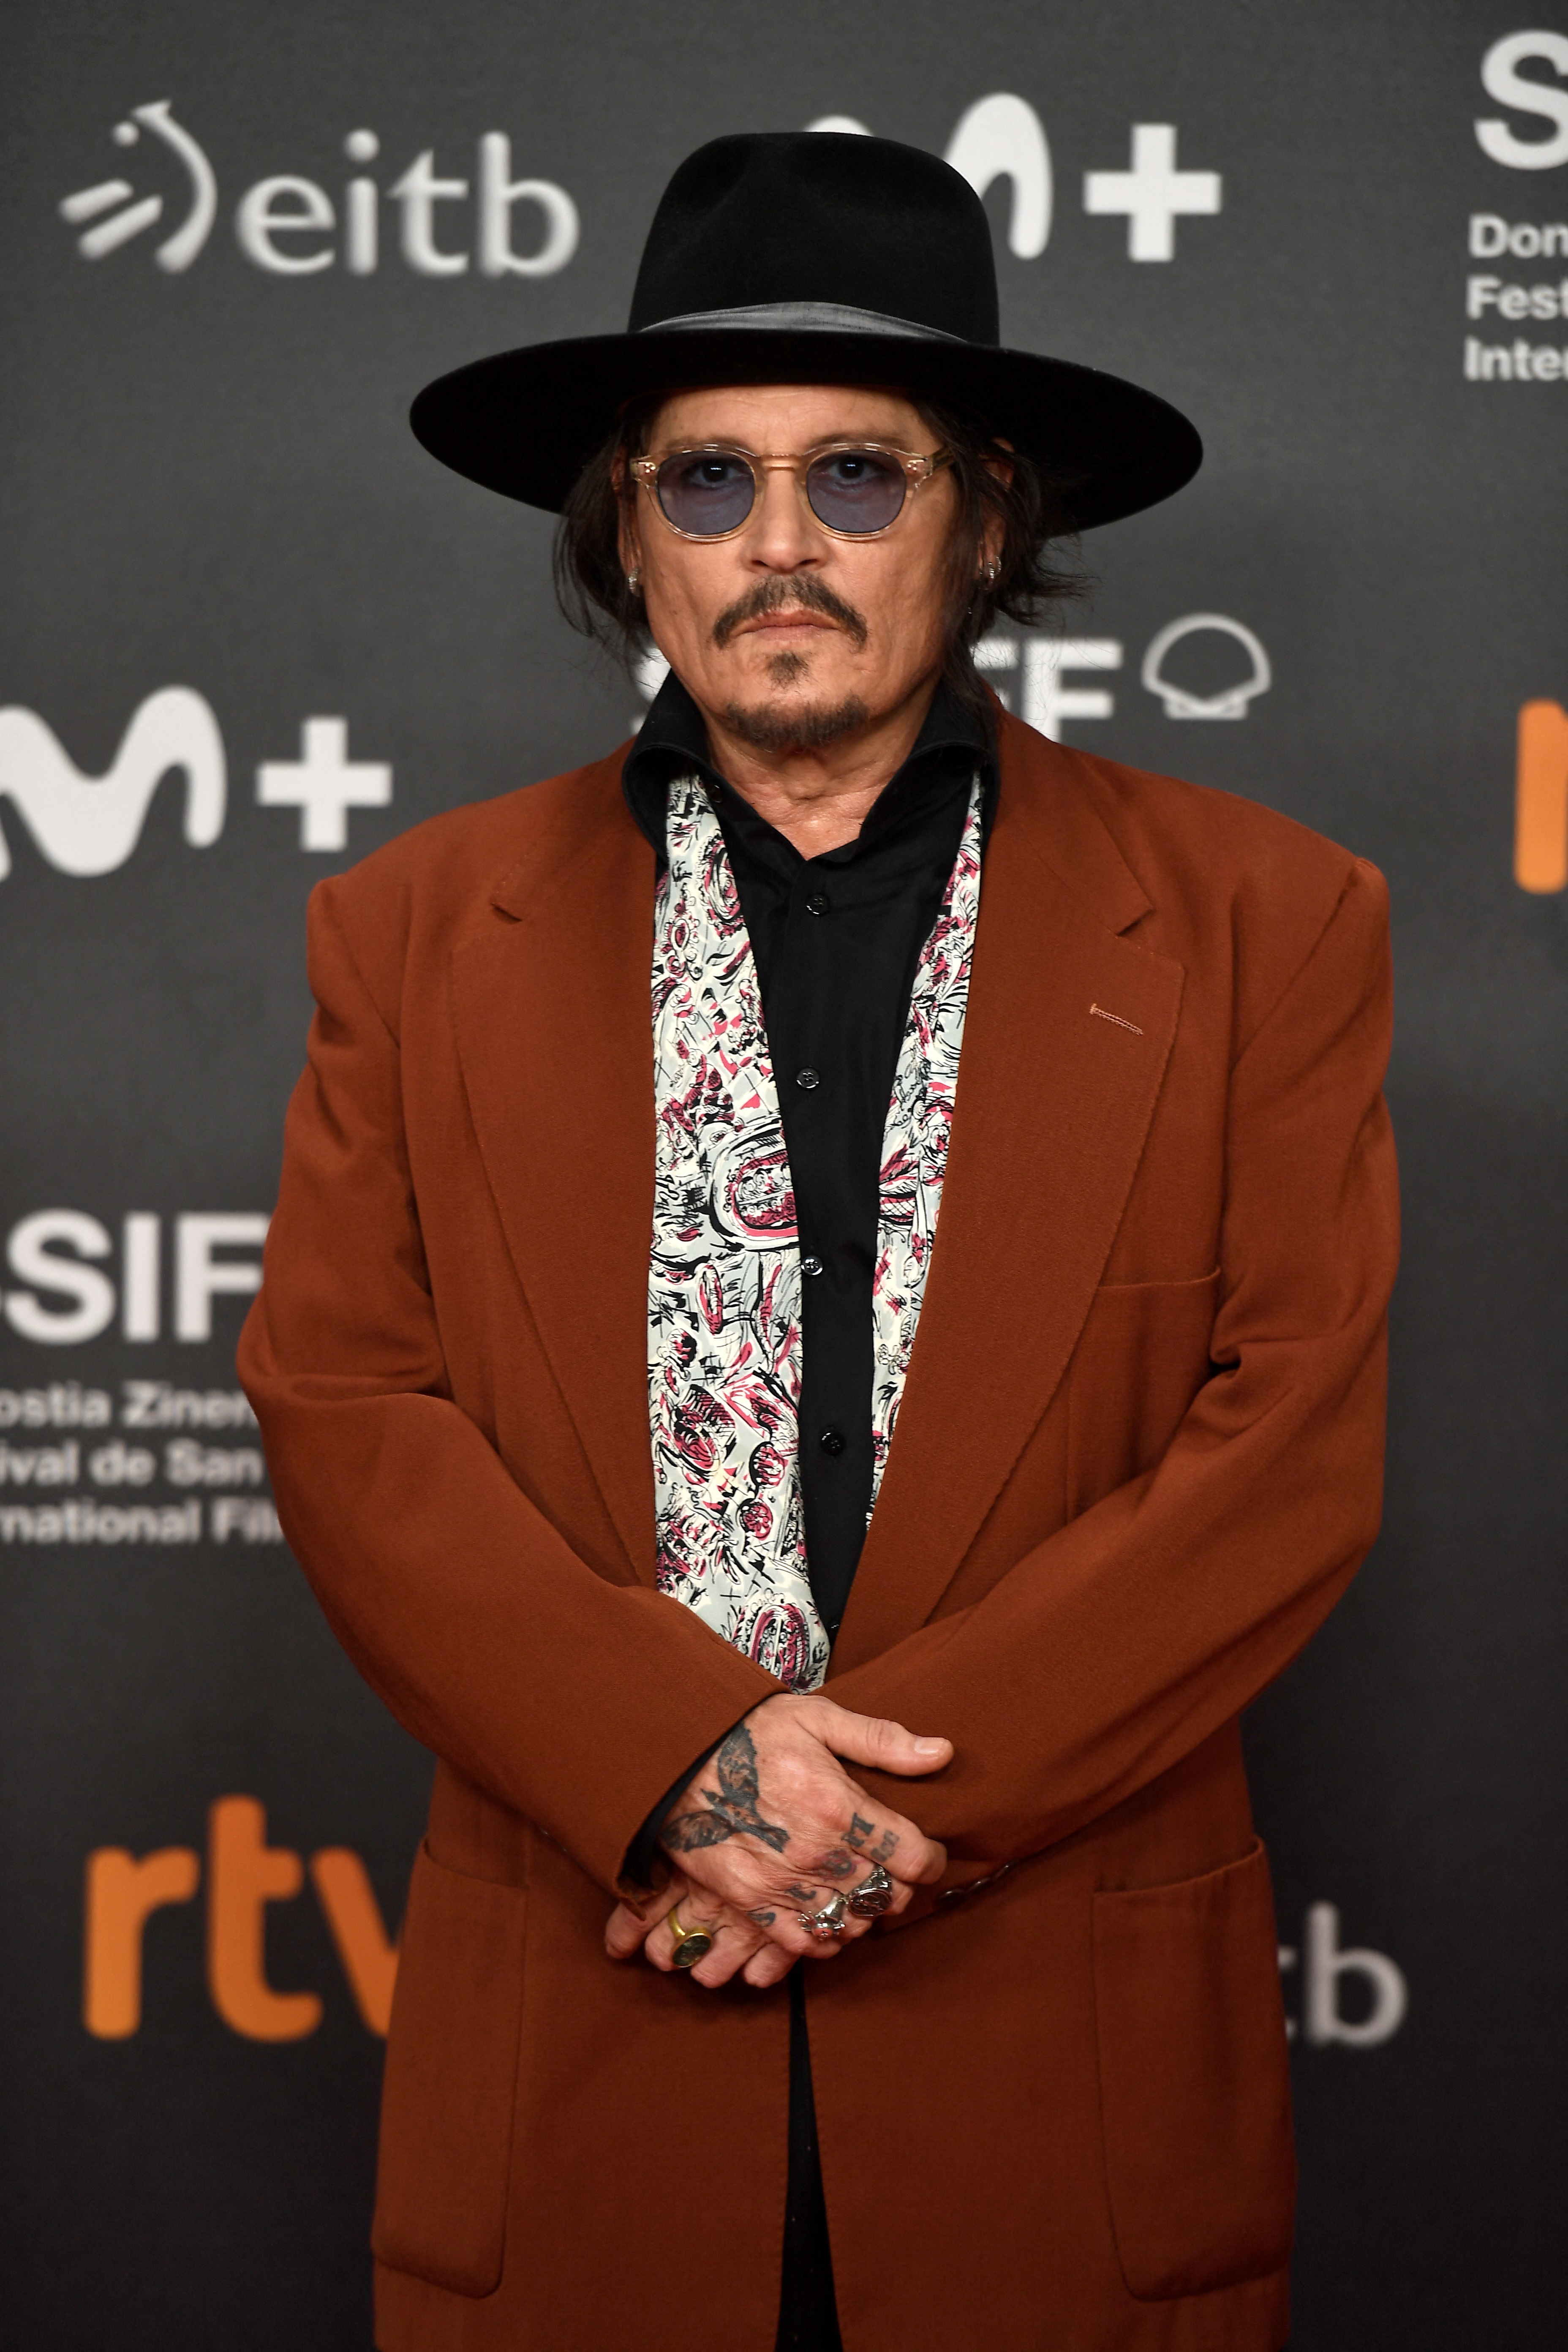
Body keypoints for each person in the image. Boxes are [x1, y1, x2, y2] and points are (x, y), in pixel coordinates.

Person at [238, 131, 1398, 2352]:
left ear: (983, 514)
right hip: (591, 2052)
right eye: (705, 483)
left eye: (855, 477)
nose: (778, 546)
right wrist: (683, 1764)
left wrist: (845, 1820)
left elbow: (1290, 1449)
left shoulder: (1268, 921)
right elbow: (343, 1400)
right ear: (627, 534)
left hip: (1051, 2065)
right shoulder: (408, 932)